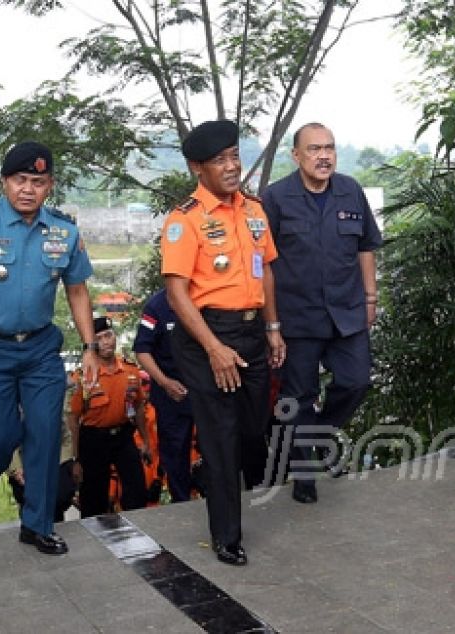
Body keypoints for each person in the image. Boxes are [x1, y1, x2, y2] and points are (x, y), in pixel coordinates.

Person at [0, 141, 98, 555]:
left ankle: (37, 524)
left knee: (44, 434)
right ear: (5, 182)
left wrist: (90, 347)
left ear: (50, 186)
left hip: (41, 349)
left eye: (38, 182)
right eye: (20, 180)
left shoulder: (64, 231)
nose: (28, 189)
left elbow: (77, 291)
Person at [161, 119, 285, 566]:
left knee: (253, 429)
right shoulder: (185, 221)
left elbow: (265, 268)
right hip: (206, 335)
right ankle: (226, 535)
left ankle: (212, 474)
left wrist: (272, 328)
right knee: (221, 434)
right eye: (220, 160)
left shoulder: (253, 210)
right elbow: (177, 293)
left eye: (234, 156)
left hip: (252, 333)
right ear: (198, 168)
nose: (232, 166)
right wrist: (214, 347)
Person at [262, 122, 382, 504]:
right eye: (314, 149)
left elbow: (365, 247)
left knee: (356, 380)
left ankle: (320, 432)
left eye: (329, 147)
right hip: (297, 317)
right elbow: (262, 264)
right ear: (296, 156)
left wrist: (371, 298)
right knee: (299, 396)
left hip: (347, 312)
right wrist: (272, 324)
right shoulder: (276, 198)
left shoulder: (351, 190)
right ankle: (304, 476)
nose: (323, 155)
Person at [66, 316, 151, 517]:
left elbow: (138, 406)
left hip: (123, 436)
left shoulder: (130, 370)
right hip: (93, 439)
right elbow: (73, 420)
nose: (106, 341)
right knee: (94, 499)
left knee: (137, 491)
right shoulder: (84, 376)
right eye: (100, 338)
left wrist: (145, 440)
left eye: (109, 335)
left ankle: (137, 536)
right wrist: (75, 459)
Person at [133, 288, 196, 502]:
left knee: (214, 450)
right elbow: (142, 350)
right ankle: (182, 503)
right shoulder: (156, 306)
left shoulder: (203, 296)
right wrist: (164, 382)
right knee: (175, 453)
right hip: (171, 394)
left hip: (203, 390)